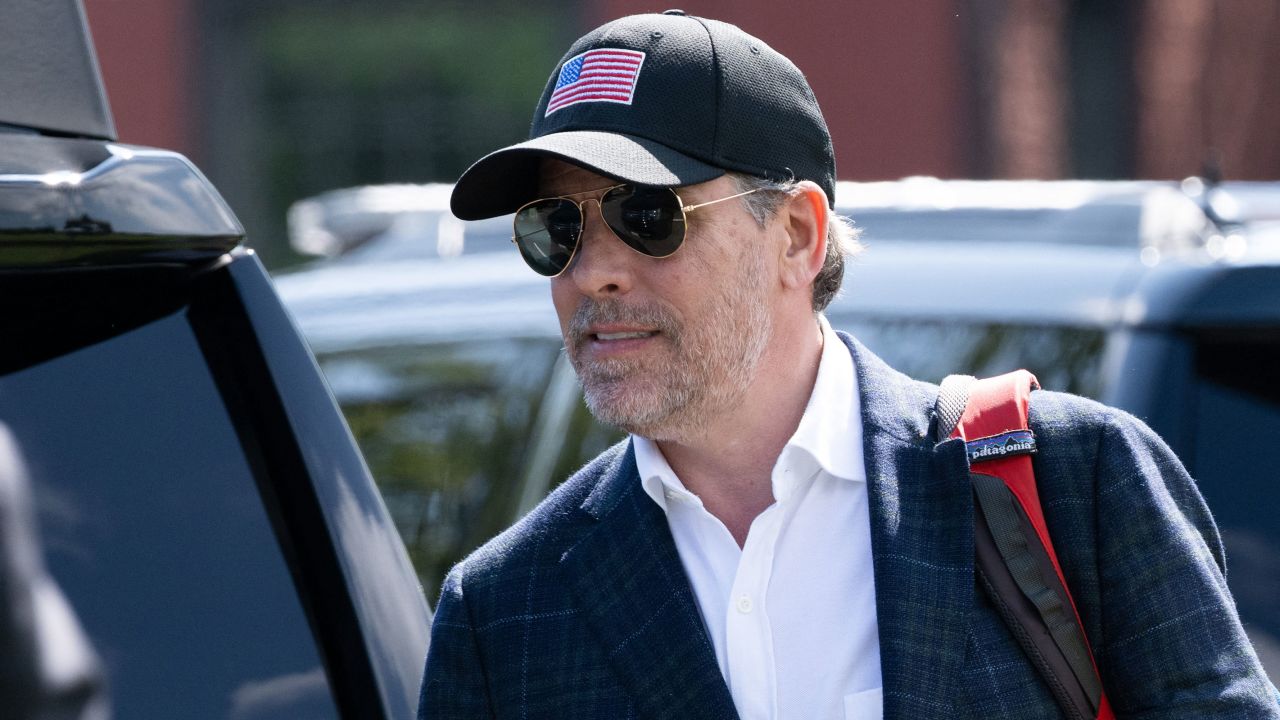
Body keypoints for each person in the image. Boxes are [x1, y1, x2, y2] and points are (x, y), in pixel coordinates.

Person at [418, 11, 1277, 719]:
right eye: (554, 229)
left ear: (796, 235)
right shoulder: (501, 614)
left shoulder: (1075, 482)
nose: (592, 271)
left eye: (648, 214)